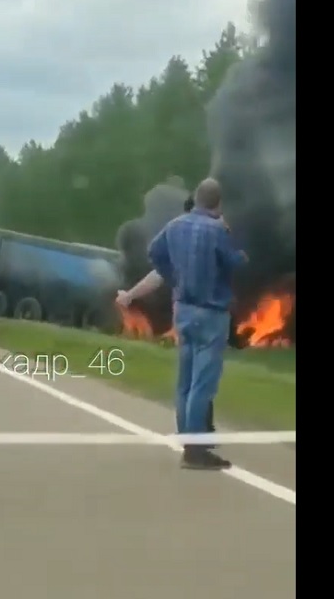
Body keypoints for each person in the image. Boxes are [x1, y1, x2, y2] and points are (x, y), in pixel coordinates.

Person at [146, 178, 246, 470]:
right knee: (203, 384)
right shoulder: (219, 230)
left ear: (197, 199)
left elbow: (154, 252)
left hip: (184, 311)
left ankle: (187, 438)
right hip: (212, 313)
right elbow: (232, 264)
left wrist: (174, 276)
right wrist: (240, 255)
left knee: (185, 382)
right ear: (218, 203)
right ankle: (194, 451)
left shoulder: (175, 225)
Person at [116, 195, 218, 447]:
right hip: (206, 317)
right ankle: (198, 437)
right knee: (200, 379)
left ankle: (192, 431)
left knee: (188, 379)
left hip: (184, 317)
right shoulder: (214, 238)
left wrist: (129, 296)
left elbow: (157, 275)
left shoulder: (180, 244)